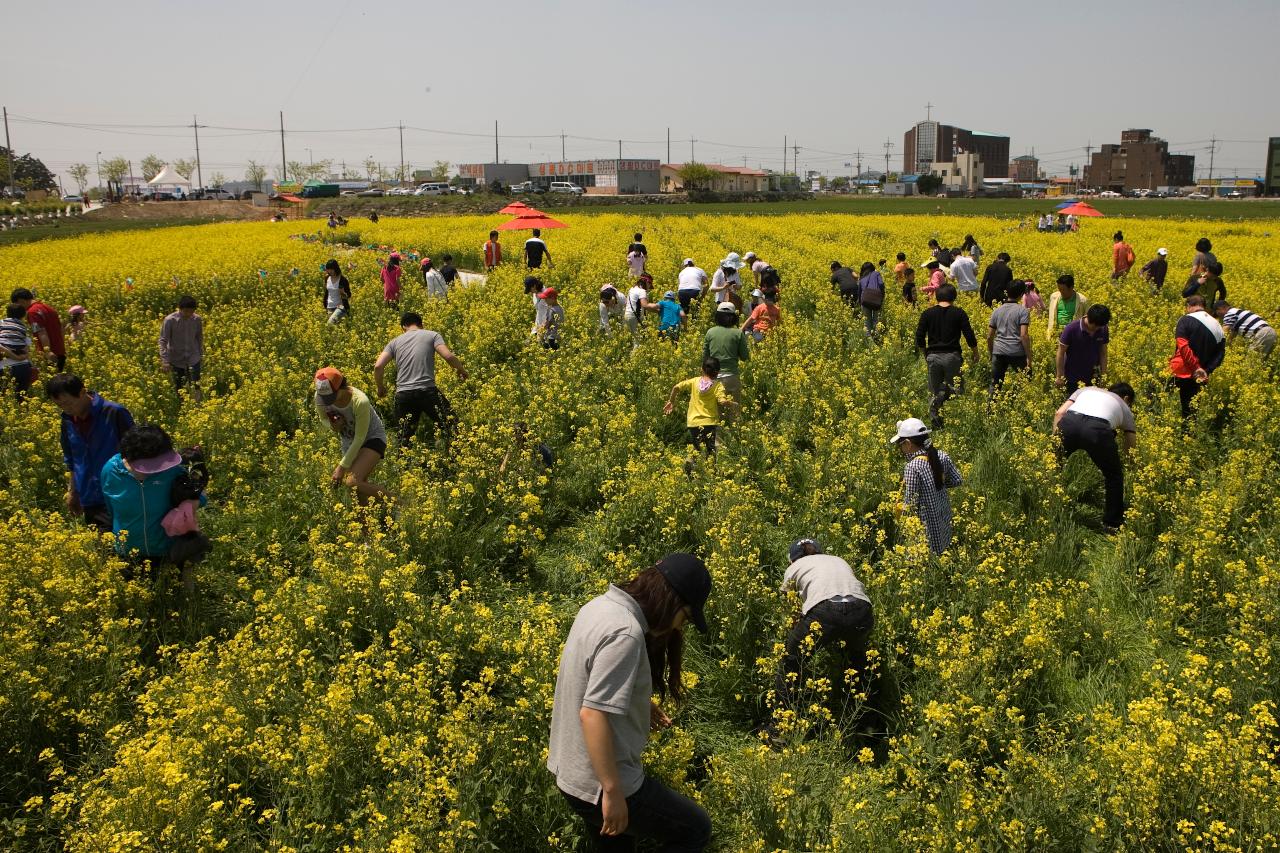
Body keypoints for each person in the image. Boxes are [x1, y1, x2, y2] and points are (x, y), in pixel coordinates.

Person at [548, 554, 713, 851]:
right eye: (685, 617)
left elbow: (591, 680)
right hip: (601, 782)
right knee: (695, 829)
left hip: (571, 771)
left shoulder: (600, 606)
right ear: (671, 601)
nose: (680, 627)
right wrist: (613, 792)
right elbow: (592, 714)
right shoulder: (626, 633)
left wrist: (636, 701)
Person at [771, 538, 874, 727]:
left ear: (792, 559)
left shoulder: (795, 567)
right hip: (862, 609)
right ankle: (865, 722)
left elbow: (790, 608)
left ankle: (781, 729)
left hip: (825, 611)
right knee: (858, 661)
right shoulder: (838, 559)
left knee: (791, 662)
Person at [100, 424, 207, 587]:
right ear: (129, 458)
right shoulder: (111, 471)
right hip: (128, 554)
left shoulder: (173, 471)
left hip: (167, 552)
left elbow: (197, 494)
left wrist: (192, 502)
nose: (158, 470)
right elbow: (110, 509)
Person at [47, 373, 135, 530]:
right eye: (60, 406)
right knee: (104, 547)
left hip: (119, 494)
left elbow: (136, 450)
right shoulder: (67, 421)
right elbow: (72, 459)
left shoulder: (114, 412)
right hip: (89, 496)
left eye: (68, 403)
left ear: (82, 392)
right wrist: (73, 491)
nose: (66, 409)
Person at [375, 312, 467, 447]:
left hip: (403, 395)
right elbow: (448, 356)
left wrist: (380, 387)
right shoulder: (432, 335)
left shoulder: (394, 342)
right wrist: (461, 369)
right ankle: (460, 461)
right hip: (427, 392)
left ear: (403, 327)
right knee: (454, 428)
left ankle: (405, 467)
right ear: (421, 324)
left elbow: (378, 366)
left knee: (404, 441)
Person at [1053, 383, 1137, 532]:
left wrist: (1055, 445)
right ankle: (1111, 524)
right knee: (1114, 476)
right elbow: (1129, 444)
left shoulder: (1085, 390)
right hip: (1097, 431)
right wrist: (1132, 466)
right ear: (1126, 398)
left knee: (1052, 467)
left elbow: (1059, 413)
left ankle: (1048, 506)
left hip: (1069, 423)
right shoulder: (1125, 408)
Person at [314, 367, 389, 506]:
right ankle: (365, 526)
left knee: (352, 482)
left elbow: (360, 437)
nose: (327, 402)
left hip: (372, 438)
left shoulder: (360, 401)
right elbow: (323, 418)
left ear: (342, 387)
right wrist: (332, 426)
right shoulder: (321, 397)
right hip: (349, 442)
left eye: (331, 397)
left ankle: (399, 503)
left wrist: (340, 468)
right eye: (324, 398)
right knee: (357, 488)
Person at [892, 418, 962, 555]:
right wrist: (937, 486)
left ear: (907, 443)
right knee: (943, 552)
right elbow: (957, 480)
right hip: (943, 520)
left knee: (926, 558)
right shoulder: (941, 455)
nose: (900, 449)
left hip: (926, 529)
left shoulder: (913, 467)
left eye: (900, 445)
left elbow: (911, 504)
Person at [914, 284, 978, 428]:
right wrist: (975, 352)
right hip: (952, 357)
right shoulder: (959, 313)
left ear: (936, 296)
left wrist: (926, 353)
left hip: (933, 356)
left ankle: (936, 424)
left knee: (934, 392)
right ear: (954, 296)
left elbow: (919, 337)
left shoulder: (927, 313)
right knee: (957, 389)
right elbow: (969, 335)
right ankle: (956, 421)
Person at [664, 357, 737, 455]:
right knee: (710, 450)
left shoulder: (694, 381)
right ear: (718, 372)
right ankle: (710, 468)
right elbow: (722, 401)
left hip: (693, 422)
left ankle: (691, 462)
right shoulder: (717, 386)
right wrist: (733, 404)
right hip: (709, 422)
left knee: (697, 447)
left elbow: (676, 387)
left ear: (701, 369)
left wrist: (671, 401)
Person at [1169, 295, 1226, 418]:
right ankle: (1188, 436)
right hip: (1200, 376)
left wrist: (1195, 367)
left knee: (1155, 394)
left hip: (1180, 370)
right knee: (1190, 413)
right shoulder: (1218, 326)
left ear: (1189, 306)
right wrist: (1206, 370)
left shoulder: (1185, 319)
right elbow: (1220, 354)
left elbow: (1183, 347)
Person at [1056, 304, 1111, 393]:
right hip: (1072, 378)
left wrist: (1104, 376)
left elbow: (1103, 353)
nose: (1097, 329)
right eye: (1095, 326)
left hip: (1093, 377)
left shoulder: (1103, 328)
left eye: (1099, 327)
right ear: (1088, 318)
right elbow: (1060, 353)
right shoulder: (1071, 329)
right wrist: (1059, 376)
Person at [159, 295, 204, 403]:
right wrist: (165, 361)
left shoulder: (197, 319)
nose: (189, 314)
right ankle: (183, 408)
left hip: (193, 357)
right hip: (176, 359)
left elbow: (199, 336)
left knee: (196, 384)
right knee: (180, 387)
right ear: (180, 309)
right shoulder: (170, 320)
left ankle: (198, 407)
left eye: (191, 311)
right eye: (186, 311)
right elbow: (163, 340)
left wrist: (201, 353)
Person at [987, 280, 1032, 390]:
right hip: (1016, 351)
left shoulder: (996, 311)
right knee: (1025, 381)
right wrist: (1029, 357)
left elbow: (989, 336)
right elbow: (1023, 335)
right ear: (1022, 294)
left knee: (995, 384)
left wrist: (992, 353)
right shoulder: (1023, 311)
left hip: (998, 351)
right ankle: (1016, 403)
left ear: (1007, 292)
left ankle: (990, 407)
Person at [703, 303, 750, 402]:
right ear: (734, 317)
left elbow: (705, 358)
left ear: (717, 316)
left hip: (712, 377)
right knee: (734, 410)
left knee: (714, 411)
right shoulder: (738, 333)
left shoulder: (710, 332)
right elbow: (745, 357)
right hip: (731, 377)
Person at [11, 288, 65, 372]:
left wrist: (47, 351)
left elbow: (41, 332)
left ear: (21, 300)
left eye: (17, 304)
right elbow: (61, 327)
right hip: (60, 350)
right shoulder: (48, 307)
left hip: (50, 354)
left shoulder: (32, 312)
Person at [0, 302, 34, 397]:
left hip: (4, 367)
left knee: (4, 398)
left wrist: (10, 354)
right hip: (24, 367)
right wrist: (19, 357)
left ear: (7, 313)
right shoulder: (22, 327)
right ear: (23, 316)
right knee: (21, 398)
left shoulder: (2, 322)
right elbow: (27, 349)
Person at [1046, 274, 1090, 341]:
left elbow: (1087, 319)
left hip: (1073, 334)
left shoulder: (1082, 300)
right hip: (1055, 333)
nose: (1061, 292)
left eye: (1063, 289)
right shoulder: (1054, 297)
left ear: (1071, 287)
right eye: (1059, 289)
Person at [857, 261, 885, 337]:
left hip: (865, 299)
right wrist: (882, 295)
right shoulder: (876, 274)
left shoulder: (861, 278)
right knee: (876, 319)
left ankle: (869, 340)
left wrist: (860, 303)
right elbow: (881, 284)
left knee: (867, 321)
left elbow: (859, 292)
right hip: (876, 298)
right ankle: (877, 337)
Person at [323, 259, 351, 324]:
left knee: (329, 324)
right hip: (330, 306)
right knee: (334, 329)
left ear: (336, 268)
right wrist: (325, 305)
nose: (330, 271)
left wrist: (344, 293)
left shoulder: (342, 279)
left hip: (340, 307)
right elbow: (327, 292)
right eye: (328, 269)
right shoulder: (327, 278)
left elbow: (349, 294)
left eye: (332, 269)